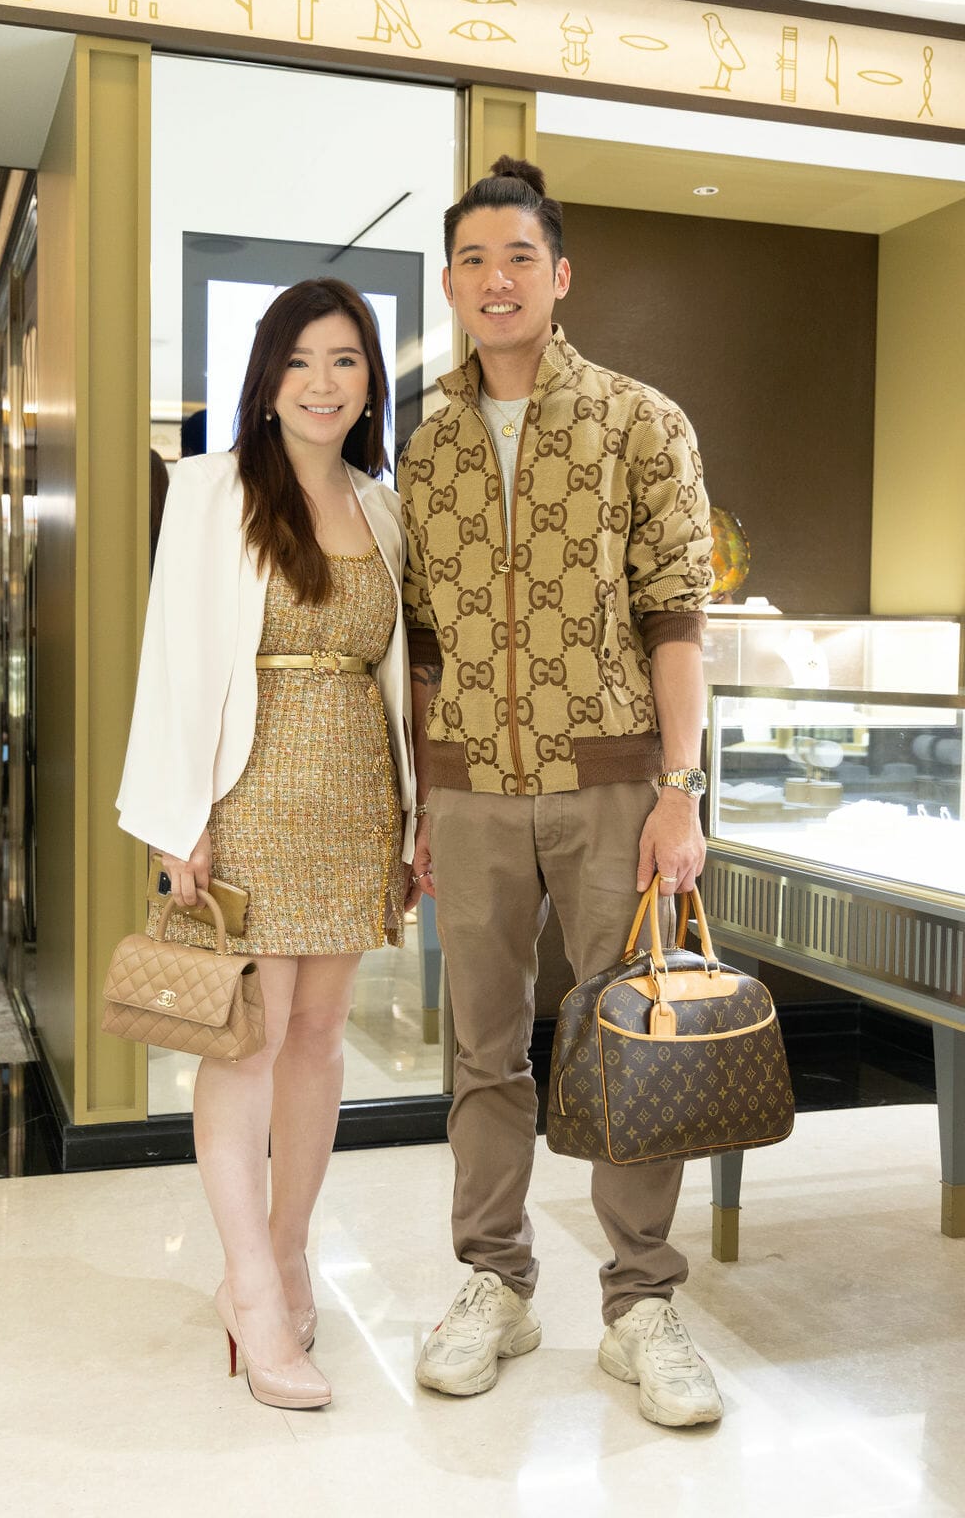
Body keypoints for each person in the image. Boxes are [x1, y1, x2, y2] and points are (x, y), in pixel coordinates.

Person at [400, 158, 723, 1426]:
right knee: (482, 1053)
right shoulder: (424, 448)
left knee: (631, 1043)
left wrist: (679, 790)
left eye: (519, 258)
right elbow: (422, 650)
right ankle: (496, 1283)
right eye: (475, 261)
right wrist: (426, 806)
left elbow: (676, 621)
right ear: (450, 283)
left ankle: (640, 1304)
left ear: (560, 276)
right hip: (471, 797)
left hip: (615, 794)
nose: (497, 280)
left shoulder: (642, 422)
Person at [117, 278, 416, 1411]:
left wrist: (414, 820)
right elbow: (172, 656)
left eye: (344, 360)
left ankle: (289, 1253)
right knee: (247, 1040)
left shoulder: (383, 508)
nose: (321, 383)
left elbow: (395, 679)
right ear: (267, 377)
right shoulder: (212, 489)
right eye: (299, 360)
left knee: (322, 1038)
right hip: (243, 795)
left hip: (354, 800)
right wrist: (178, 818)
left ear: (370, 381)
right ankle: (249, 1287)